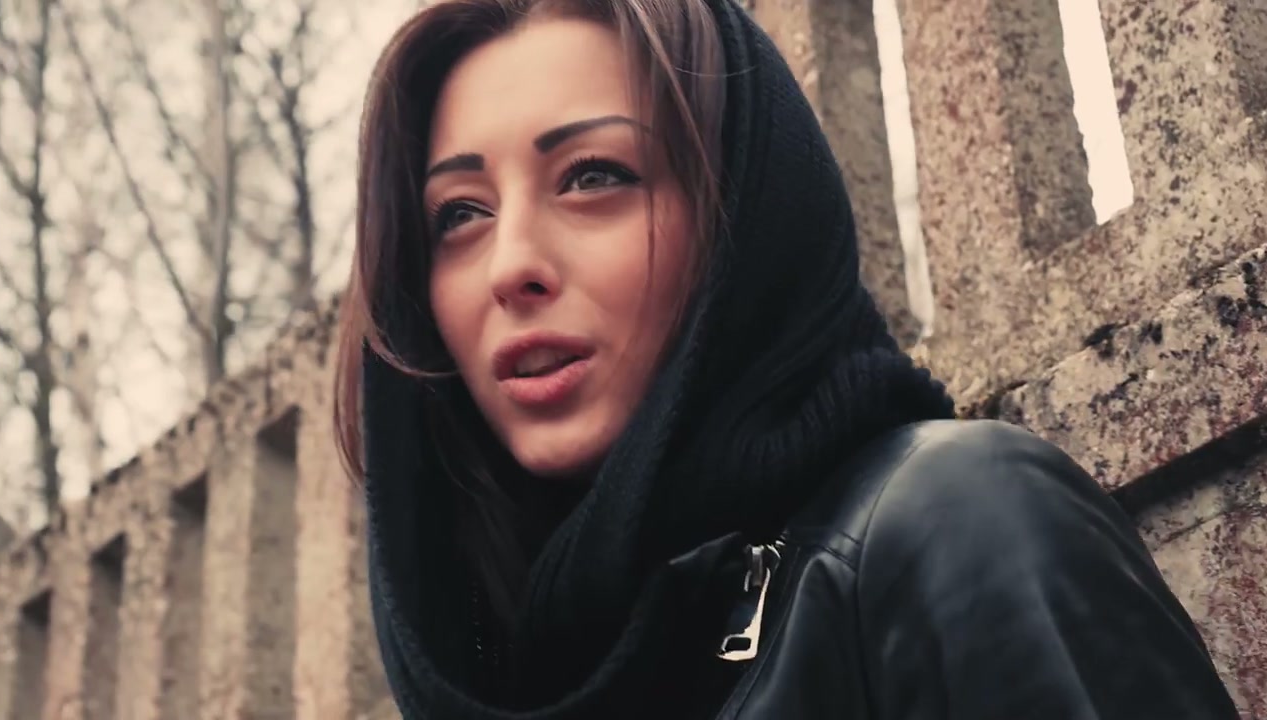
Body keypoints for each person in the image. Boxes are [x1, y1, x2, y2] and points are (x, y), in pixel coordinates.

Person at [332, 0, 1241, 717]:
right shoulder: (504, 672)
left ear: (744, 222)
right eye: (460, 213)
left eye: (594, 176)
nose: (511, 265)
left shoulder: (959, 522)